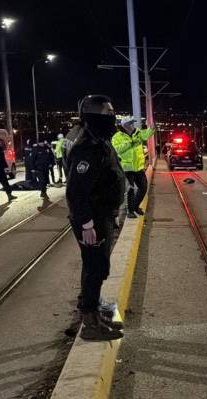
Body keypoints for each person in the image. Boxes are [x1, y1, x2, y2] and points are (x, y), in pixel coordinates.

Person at [66, 94, 126, 341]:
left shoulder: (97, 140)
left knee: (95, 266)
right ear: (93, 117)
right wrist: (87, 224)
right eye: (107, 114)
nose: (112, 118)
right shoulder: (87, 147)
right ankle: (90, 323)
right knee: (96, 267)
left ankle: (91, 309)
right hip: (94, 217)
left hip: (102, 214)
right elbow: (76, 191)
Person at [112, 117, 154, 219]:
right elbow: (117, 150)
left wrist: (152, 127)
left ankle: (135, 206)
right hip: (126, 169)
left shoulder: (137, 133)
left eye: (132, 123)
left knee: (143, 188)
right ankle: (130, 211)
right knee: (130, 190)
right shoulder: (117, 136)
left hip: (138, 167)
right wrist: (130, 143)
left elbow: (146, 134)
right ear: (124, 126)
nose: (132, 125)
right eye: (129, 124)